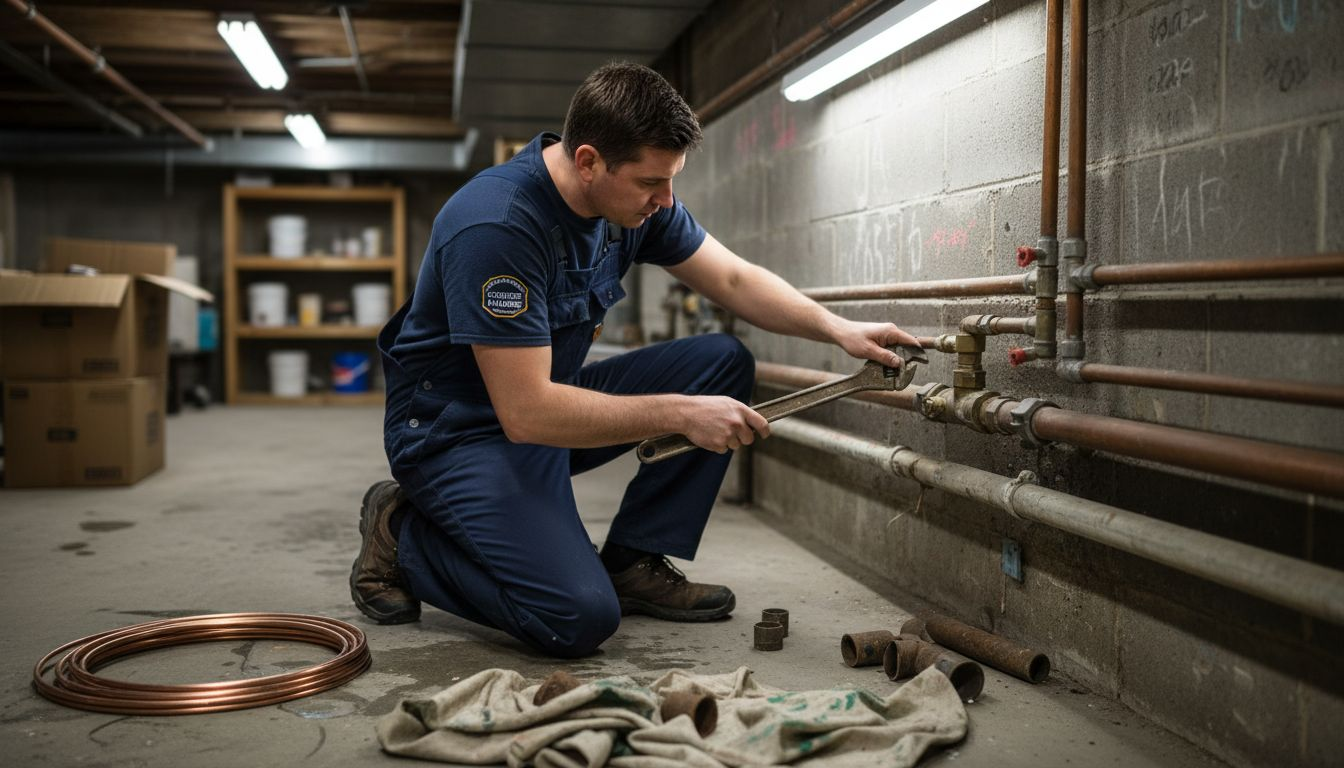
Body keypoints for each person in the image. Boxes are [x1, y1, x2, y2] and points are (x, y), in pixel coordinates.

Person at [351, 62, 918, 658]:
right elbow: (525, 413)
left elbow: (732, 277)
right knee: (575, 617)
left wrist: (839, 329)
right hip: (459, 434)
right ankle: (402, 536)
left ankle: (633, 561)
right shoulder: (497, 225)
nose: (665, 200)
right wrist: (680, 414)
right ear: (589, 162)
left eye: (670, 180)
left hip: (547, 408)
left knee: (721, 360)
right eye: (651, 182)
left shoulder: (630, 207)